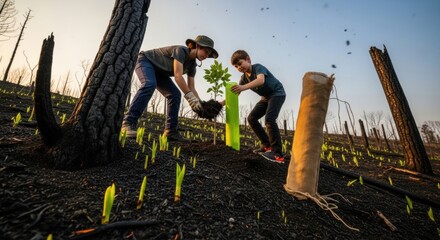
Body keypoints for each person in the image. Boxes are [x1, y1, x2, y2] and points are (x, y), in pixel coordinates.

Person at [121, 35, 218, 141]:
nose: (206, 55)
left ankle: (171, 131)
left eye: (209, 54)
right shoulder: (180, 51)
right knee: (149, 84)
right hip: (145, 61)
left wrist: (200, 104)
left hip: (159, 73)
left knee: (175, 94)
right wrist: (190, 98)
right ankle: (128, 123)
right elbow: (178, 76)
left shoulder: (192, 66)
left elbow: (191, 87)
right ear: (197, 46)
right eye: (206, 51)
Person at [230, 50, 286, 163]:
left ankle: (277, 154)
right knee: (251, 118)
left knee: (270, 119)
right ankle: (266, 146)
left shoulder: (258, 67)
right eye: (236, 66)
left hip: (277, 93)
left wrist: (242, 87)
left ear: (248, 59)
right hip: (265, 97)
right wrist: (219, 104)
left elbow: (261, 80)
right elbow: (236, 93)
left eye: (240, 64)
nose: (239, 67)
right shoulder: (244, 78)